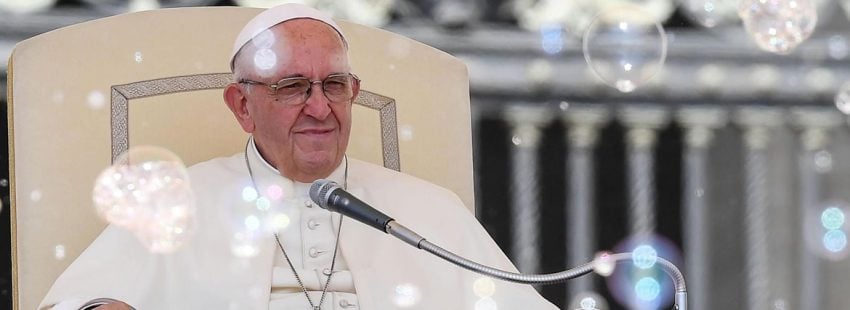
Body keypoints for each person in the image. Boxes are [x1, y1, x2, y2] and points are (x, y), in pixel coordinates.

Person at [39, 4, 557, 310]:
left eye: (333, 85)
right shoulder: (174, 202)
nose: (319, 107)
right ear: (242, 105)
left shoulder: (427, 210)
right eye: (291, 87)